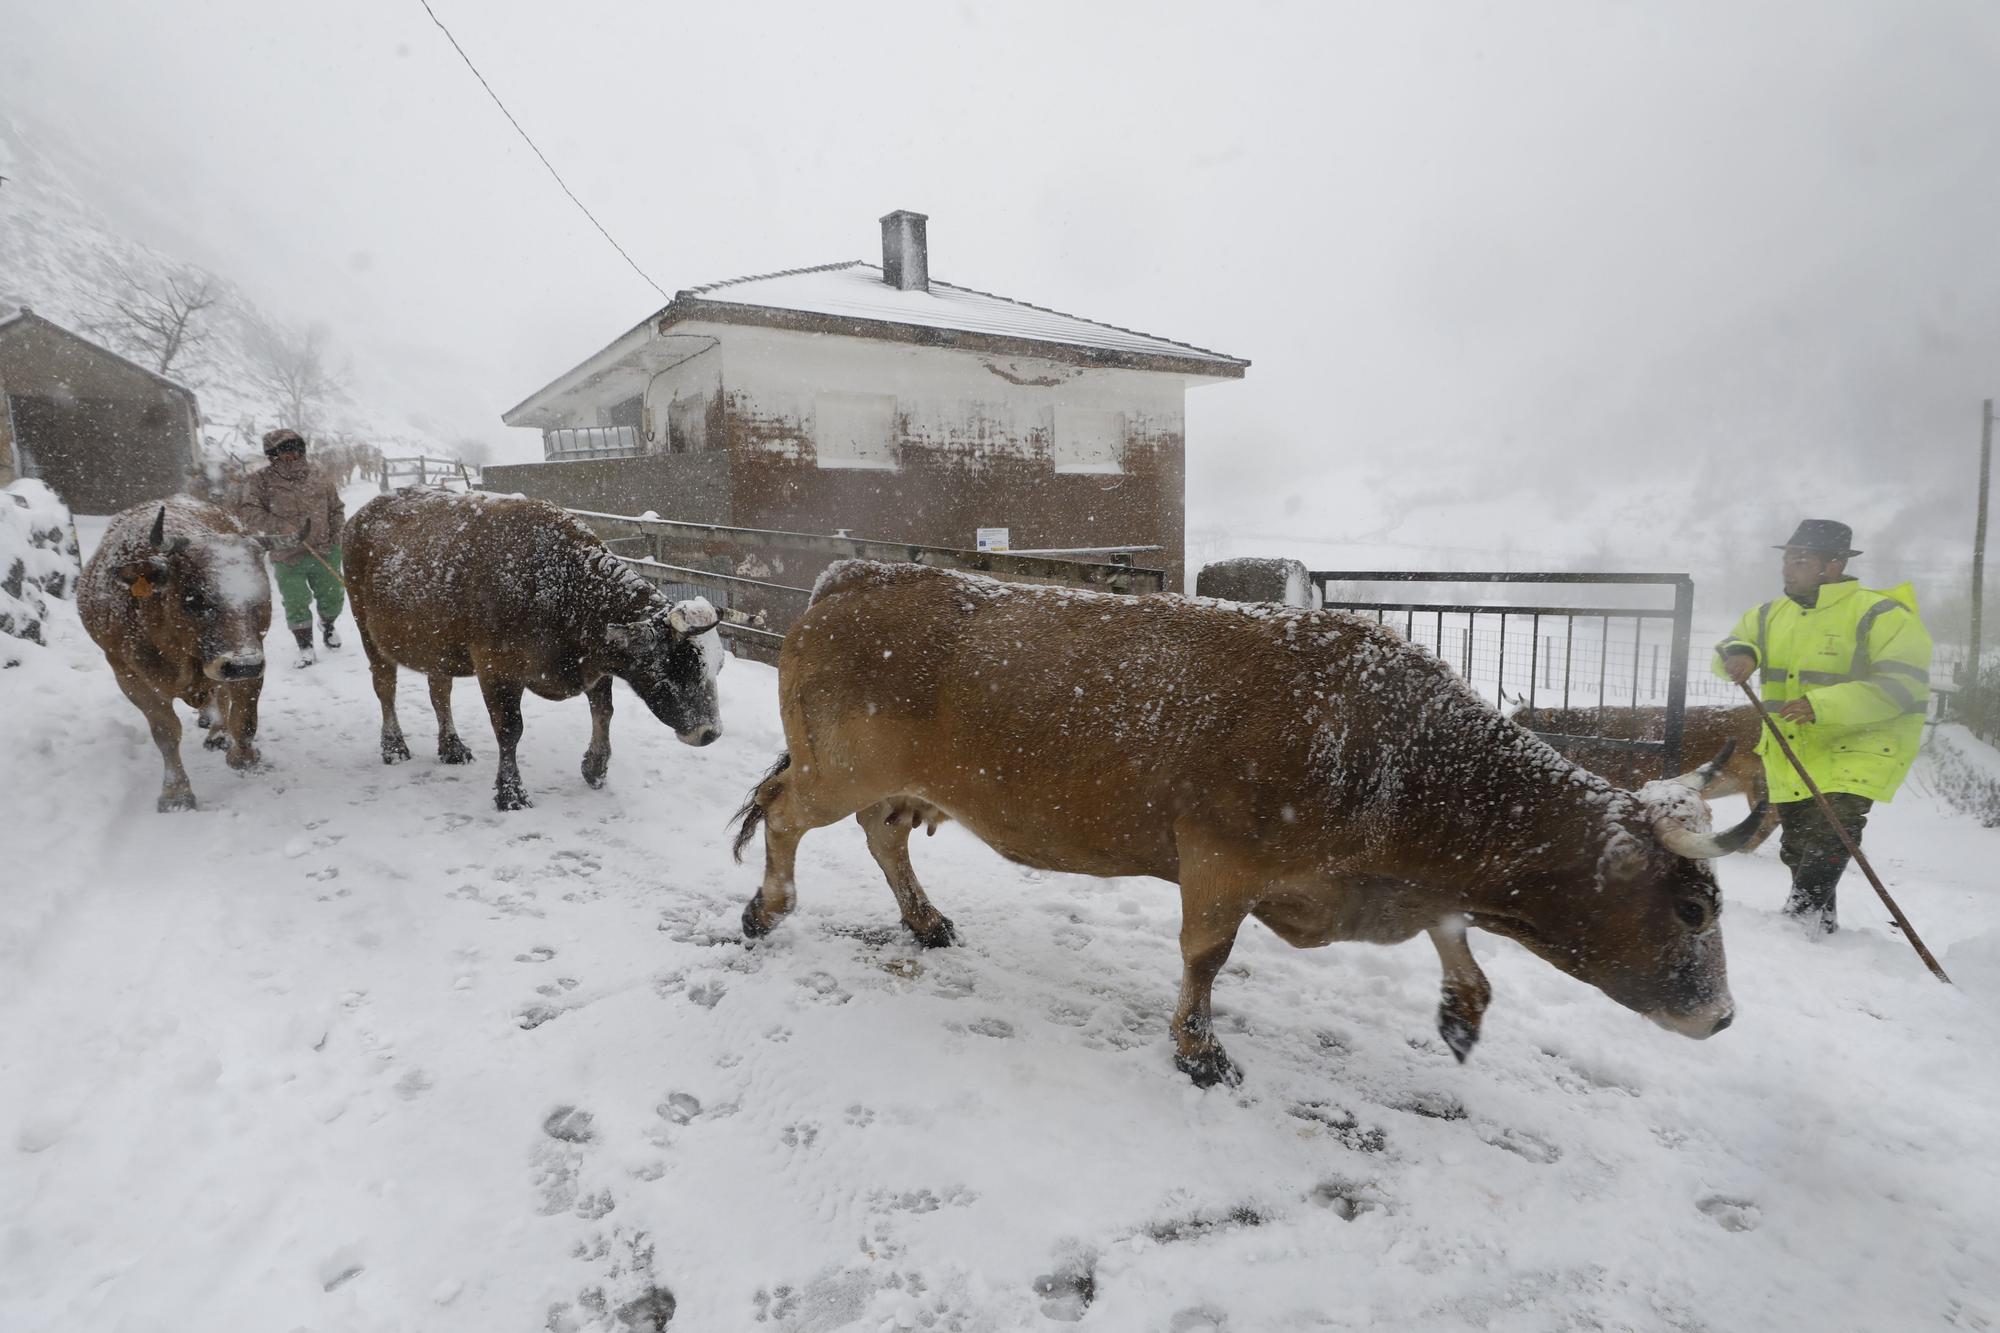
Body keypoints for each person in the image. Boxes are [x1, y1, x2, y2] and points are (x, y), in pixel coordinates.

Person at [1714, 519, 1933, 933]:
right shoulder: (1767, 615)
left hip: (1863, 745)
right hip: (1794, 747)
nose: (1787, 568)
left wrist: (1821, 704)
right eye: (1786, 559)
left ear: (1833, 566)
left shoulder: (1882, 615)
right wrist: (1740, 654)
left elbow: (1901, 685)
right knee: (1797, 845)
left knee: (1833, 828)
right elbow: (1733, 641)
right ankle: (1820, 925)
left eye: (1799, 560)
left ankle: (1800, 922)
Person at [236, 427, 346, 667]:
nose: (290, 455)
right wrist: (279, 526)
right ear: (272, 455)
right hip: (287, 553)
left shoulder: (319, 474)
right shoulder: (260, 481)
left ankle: (327, 624)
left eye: (294, 449)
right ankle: (305, 646)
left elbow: (336, 508)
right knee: (296, 601)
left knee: (333, 597)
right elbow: (249, 511)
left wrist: (337, 534)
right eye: (282, 451)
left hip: (325, 548)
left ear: (301, 449)